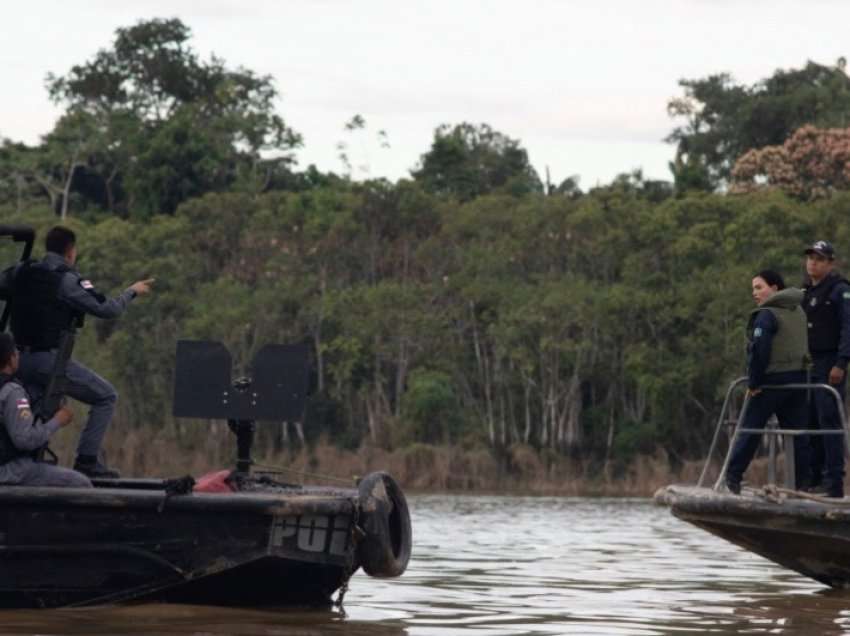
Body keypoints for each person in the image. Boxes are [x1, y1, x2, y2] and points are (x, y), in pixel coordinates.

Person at [0, 226, 153, 478]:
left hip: (16, 362)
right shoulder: (66, 280)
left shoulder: (20, 271)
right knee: (106, 396)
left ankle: (23, 465)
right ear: (71, 252)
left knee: (35, 415)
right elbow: (108, 309)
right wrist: (131, 292)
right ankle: (87, 461)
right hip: (46, 361)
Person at [726, 270, 811, 495]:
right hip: (799, 381)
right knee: (797, 434)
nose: (754, 293)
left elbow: (760, 352)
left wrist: (754, 383)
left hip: (771, 382)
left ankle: (732, 478)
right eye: (753, 288)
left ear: (774, 289)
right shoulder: (799, 311)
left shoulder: (766, 315)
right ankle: (803, 483)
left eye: (759, 287)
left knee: (750, 429)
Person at [0, 332, 92, 488]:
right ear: (10, 358)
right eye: (15, 351)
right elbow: (25, 440)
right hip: (11, 471)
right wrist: (58, 421)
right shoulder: (13, 392)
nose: (18, 354)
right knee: (81, 484)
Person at [802, 240, 850, 498]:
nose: (813, 262)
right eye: (810, 257)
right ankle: (814, 478)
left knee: (828, 420)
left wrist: (842, 362)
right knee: (809, 421)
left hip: (830, 362)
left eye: (819, 258)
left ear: (830, 263)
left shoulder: (839, 290)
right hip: (808, 364)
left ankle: (834, 484)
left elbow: (848, 328)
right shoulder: (805, 292)